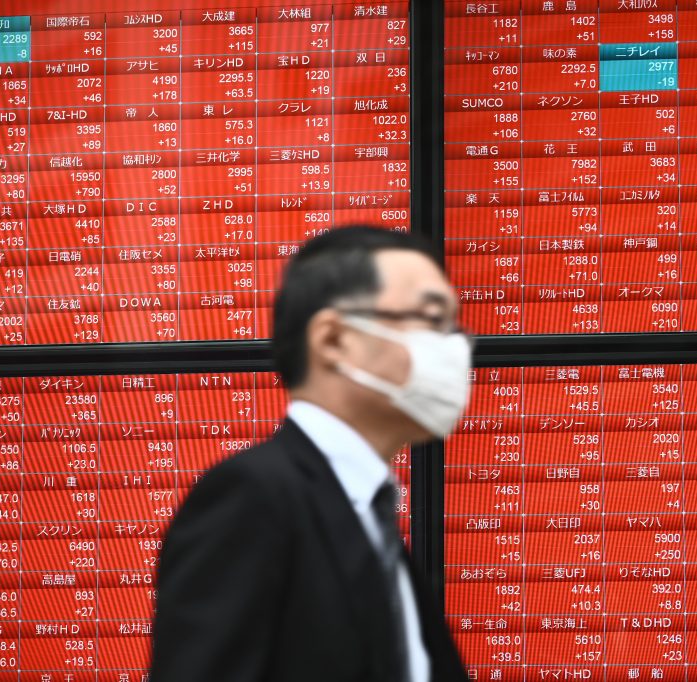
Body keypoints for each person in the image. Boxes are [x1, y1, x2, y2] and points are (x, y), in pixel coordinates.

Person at [149, 225, 472, 682]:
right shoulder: (252, 498)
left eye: (455, 327)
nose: (455, 349)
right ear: (333, 341)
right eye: (432, 319)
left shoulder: (369, 515)